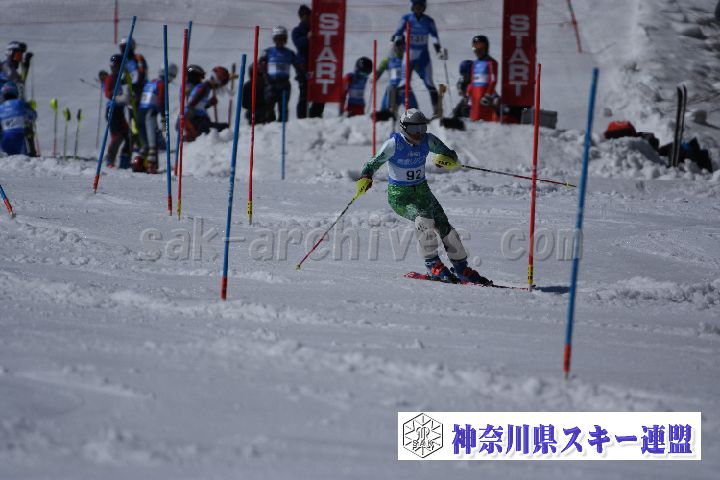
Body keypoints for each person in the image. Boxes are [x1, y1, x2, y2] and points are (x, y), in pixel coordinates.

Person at [354, 108, 491, 285]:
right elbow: (371, 164)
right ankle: (433, 265)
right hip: (400, 196)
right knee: (423, 220)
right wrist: (366, 177)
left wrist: (446, 160)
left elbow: (450, 154)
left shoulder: (428, 140)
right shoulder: (394, 144)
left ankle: (461, 268)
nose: (419, 133)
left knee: (444, 225)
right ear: (404, 128)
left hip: (422, 191)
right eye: (414, 129)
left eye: (422, 128)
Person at [392, 0, 446, 115]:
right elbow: (398, 32)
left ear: (424, 7)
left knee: (429, 82)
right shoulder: (406, 18)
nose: (418, 8)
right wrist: (397, 42)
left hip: (423, 56)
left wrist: (438, 50)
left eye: (421, 5)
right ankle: (393, 109)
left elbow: (435, 37)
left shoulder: (429, 21)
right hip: (409, 55)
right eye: (416, 5)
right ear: (412, 6)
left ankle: (437, 111)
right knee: (403, 82)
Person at [134, 63, 177, 173]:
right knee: (152, 144)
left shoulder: (151, 83)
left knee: (145, 144)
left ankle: (137, 164)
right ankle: (151, 166)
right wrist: (164, 116)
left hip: (140, 114)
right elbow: (161, 102)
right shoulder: (162, 84)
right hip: (150, 114)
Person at [259, 26, 304, 122]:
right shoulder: (268, 52)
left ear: (285, 39)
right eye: (277, 39)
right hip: (270, 82)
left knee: (283, 107)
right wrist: (264, 76)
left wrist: (300, 76)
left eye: (282, 39)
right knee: (269, 105)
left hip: (284, 83)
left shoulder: (290, 53)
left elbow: (297, 66)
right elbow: (260, 65)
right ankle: (269, 124)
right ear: (274, 39)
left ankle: (282, 125)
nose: (280, 41)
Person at [292, 5, 324, 118]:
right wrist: (308, 37)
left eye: (308, 16)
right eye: (304, 16)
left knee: (319, 92)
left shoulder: (317, 29)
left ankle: (315, 115)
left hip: (317, 66)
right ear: (301, 17)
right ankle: (301, 118)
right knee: (304, 92)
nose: (307, 18)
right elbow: (299, 44)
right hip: (303, 66)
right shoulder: (297, 31)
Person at [183, 66, 230, 142]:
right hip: (195, 121)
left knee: (222, 127)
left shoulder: (206, 88)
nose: (218, 87)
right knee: (224, 127)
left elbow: (199, 106)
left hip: (199, 119)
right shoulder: (203, 88)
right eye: (219, 84)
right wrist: (192, 130)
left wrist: (210, 103)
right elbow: (191, 106)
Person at [376, 35, 418, 120]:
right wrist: (375, 76)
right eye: (398, 45)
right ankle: (388, 115)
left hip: (405, 89)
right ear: (393, 46)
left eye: (402, 45)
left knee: (414, 113)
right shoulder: (388, 59)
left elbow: (420, 68)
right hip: (392, 89)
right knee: (385, 112)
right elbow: (378, 71)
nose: (400, 48)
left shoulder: (409, 59)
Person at [104, 54, 132, 168]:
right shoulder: (111, 78)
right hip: (112, 110)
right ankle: (110, 160)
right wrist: (119, 98)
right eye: (116, 67)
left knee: (127, 134)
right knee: (117, 135)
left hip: (119, 110)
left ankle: (124, 161)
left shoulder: (119, 78)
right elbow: (107, 93)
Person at [467, 35, 498, 122]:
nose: (478, 50)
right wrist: (468, 94)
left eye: (480, 47)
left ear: (486, 47)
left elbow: (493, 80)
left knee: (484, 117)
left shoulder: (491, 62)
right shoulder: (475, 63)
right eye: (475, 47)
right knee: (474, 116)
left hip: (484, 94)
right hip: (475, 94)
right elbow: (472, 81)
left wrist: (488, 95)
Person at [0, 81, 36, 155]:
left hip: (4, 138)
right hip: (18, 136)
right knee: (21, 158)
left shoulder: (1, 107)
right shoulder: (19, 103)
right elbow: (33, 115)